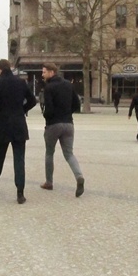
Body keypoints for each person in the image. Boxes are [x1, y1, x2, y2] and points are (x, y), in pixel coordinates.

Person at [0, 59, 37, 204]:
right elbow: (32, 100)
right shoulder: (21, 82)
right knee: (19, 158)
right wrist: (22, 110)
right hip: (19, 124)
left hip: (2, 124)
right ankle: (20, 192)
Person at [40, 63, 85, 197]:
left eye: (44, 72)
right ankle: (79, 176)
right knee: (69, 154)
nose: (42, 75)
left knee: (49, 153)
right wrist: (67, 113)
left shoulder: (49, 87)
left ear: (52, 72)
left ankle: (49, 182)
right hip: (68, 124)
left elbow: (49, 109)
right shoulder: (68, 85)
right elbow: (77, 104)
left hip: (53, 124)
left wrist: (47, 117)